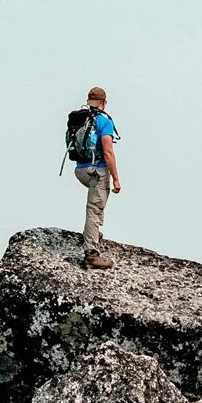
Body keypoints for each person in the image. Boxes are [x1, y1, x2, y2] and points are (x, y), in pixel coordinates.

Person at [74, 86, 120, 270]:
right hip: (97, 170)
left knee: (94, 205)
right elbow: (108, 152)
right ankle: (91, 254)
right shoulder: (103, 121)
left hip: (80, 170)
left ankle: (91, 234)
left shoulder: (81, 118)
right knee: (95, 208)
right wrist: (116, 178)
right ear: (103, 103)